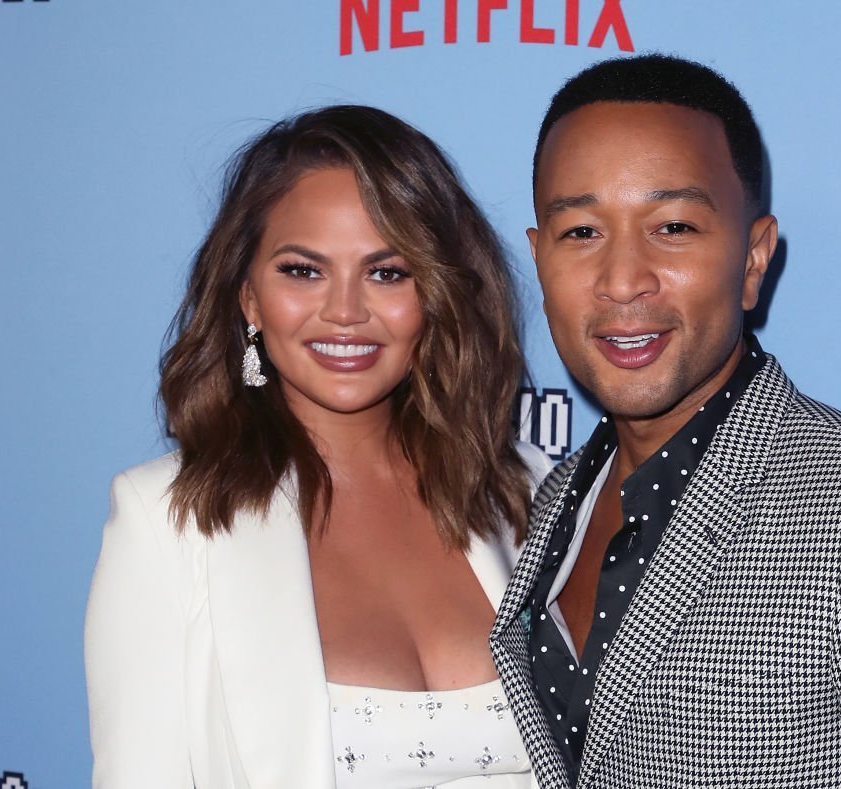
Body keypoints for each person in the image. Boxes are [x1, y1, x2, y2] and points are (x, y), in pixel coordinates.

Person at [491, 54, 841, 788]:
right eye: (581, 232)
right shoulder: (554, 502)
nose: (621, 280)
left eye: (672, 226)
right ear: (539, 257)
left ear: (753, 257)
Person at [85, 105, 553, 788]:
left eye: (387, 272)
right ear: (249, 297)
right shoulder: (166, 520)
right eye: (303, 270)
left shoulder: (527, 490)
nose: (344, 310)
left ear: (437, 292)